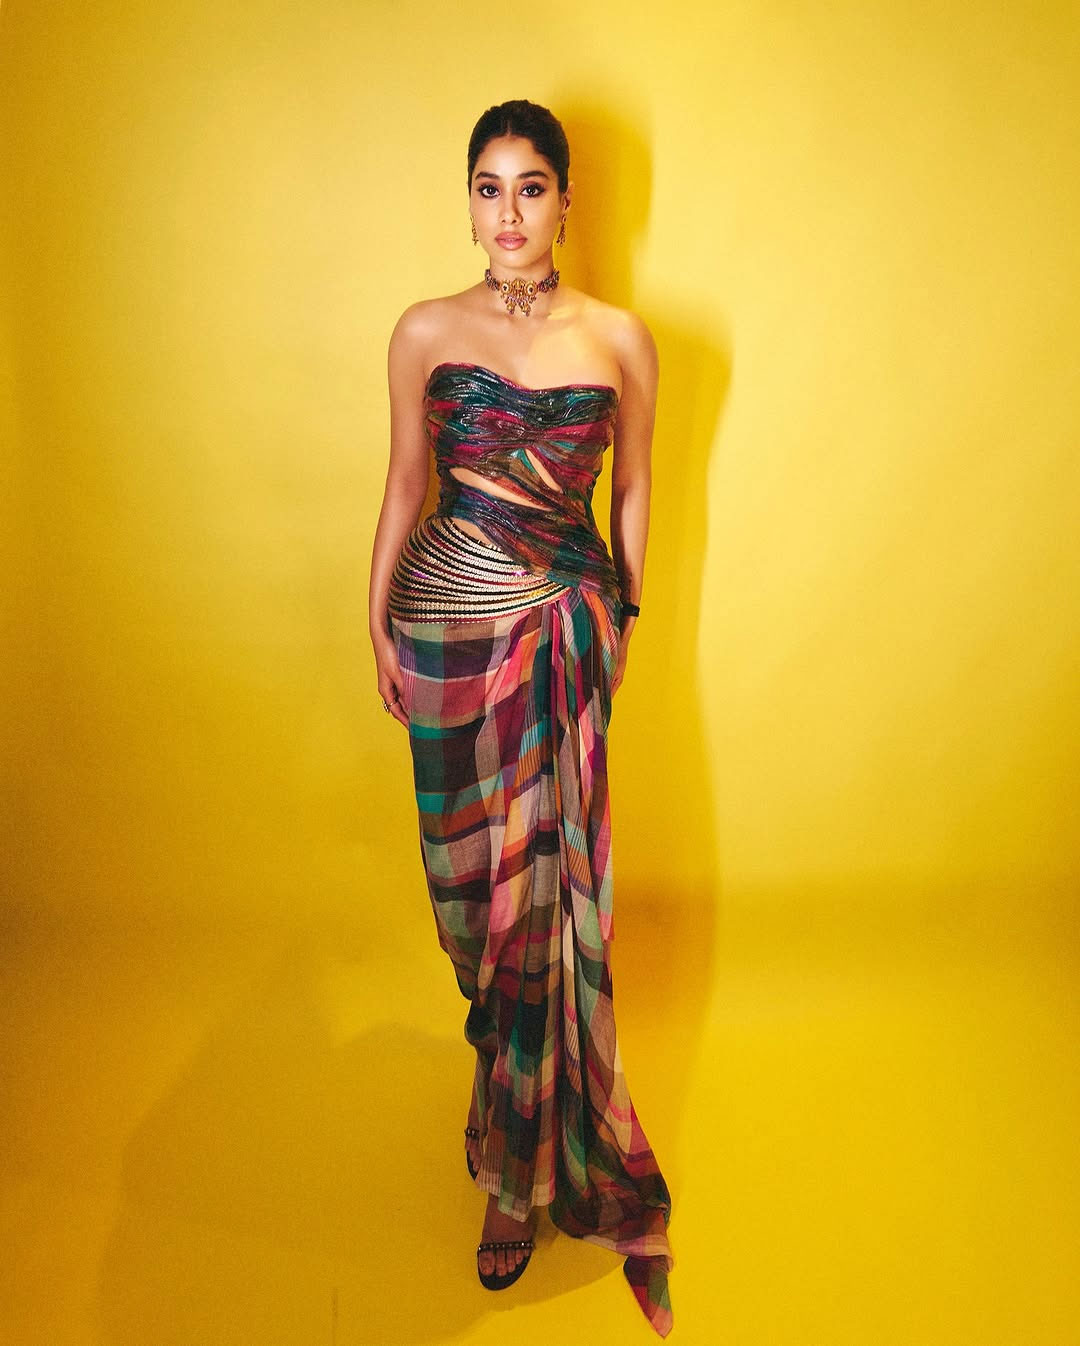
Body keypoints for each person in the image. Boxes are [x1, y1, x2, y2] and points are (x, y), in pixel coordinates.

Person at [367, 99, 674, 1336]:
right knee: (473, 908)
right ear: (469, 201)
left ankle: (514, 1179)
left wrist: (626, 614)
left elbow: (635, 484)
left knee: (545, 906)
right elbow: (406, 480)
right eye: (488, 187)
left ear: (565, 200)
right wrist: (374, 621)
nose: (509, 211)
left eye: (531, 186)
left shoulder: (621, 338)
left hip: (562, 638)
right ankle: (503, 1081)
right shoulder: (423, 330)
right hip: (446, 634)